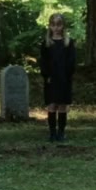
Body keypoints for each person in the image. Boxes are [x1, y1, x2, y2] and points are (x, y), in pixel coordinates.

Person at [40, 13, 77, 143]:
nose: (56, 28)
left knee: (62, 106)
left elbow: (71, 61)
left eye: (59, 25)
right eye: (53, 25)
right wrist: (46, 75)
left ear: (63, 26)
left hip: (64, 78)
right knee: (52, 105)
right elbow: (43, 62)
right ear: (50, 26)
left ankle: (61, 132)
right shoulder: (46, 43)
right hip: (51, 78)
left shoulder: (68, 43)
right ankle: (52, 133)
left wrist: (68, 75)